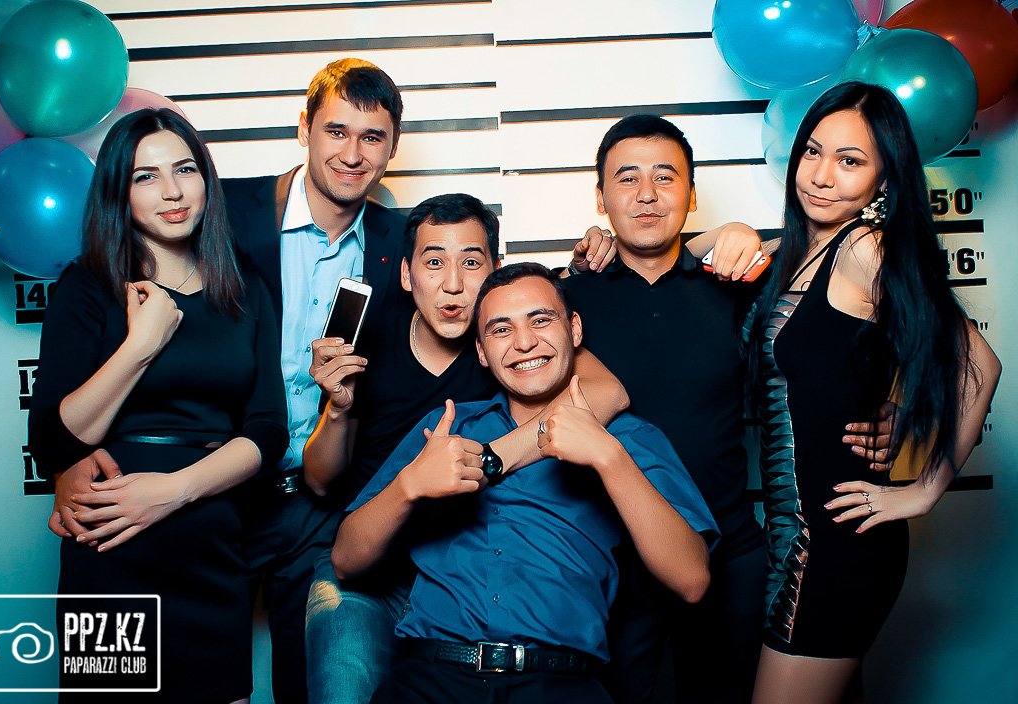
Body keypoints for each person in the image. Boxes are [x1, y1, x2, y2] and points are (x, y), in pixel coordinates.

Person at [562, 114, 895, 704]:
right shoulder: (565, 301)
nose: (646, 194)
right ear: (600, 197)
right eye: (627, 178)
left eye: (665, 177)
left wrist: (892, 408)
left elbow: (842, 340)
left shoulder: (743, 287)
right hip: (610, 565)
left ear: (691, 196)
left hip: (732, 561)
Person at [332, 262, 718, 704]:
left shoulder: (630, 438)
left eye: (540, 320)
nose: (524, 342)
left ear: (574, 329)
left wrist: (609, 458)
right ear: (481, 352)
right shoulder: (446, 428)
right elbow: (345, 561)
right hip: (432, 676)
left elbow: (692, 580)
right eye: (501, 330)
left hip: (560, 682)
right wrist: (408, 486)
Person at [302, 194, 628, 704]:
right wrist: (338, 410)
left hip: (461, 561)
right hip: (374, 555)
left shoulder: (513, 339)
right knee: (344, 663)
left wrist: (486, 461)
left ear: (496, 269)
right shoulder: (372, 335)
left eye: (471, 263)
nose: (453, 284)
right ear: (407, 274)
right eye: (434, 263)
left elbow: (607, 394)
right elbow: (321, 482)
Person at [744, 82, 1001, 704]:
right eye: (813, 151)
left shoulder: (865, 248)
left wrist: (923, 490)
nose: (821, 175)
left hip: (837, 546)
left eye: (850, 160)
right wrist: (726, 232)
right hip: (796, 543)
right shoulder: (803, 254)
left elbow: (978, 363)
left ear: (885, 179)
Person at [28, 108, 287, 703]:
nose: (172, 191)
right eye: (145, 176)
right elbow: (54, 439)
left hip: (212, 549)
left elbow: (268, 430)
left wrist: (174, 491)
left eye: (185, 170)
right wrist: (141, 344)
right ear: (118, 192)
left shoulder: (243, 287)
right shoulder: (88, 285)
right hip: (110, 548)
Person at [220, 58, 409, 703]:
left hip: (319, 503)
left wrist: (589, 260)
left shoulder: (401, 241)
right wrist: (71, 457)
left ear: (392, 147)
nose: (352, 155)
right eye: (336, 131)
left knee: (310, 682)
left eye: (372, 137)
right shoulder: (227, 210)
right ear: (304, 128)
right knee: (201, 679)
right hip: (217, 488)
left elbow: (478, 296)